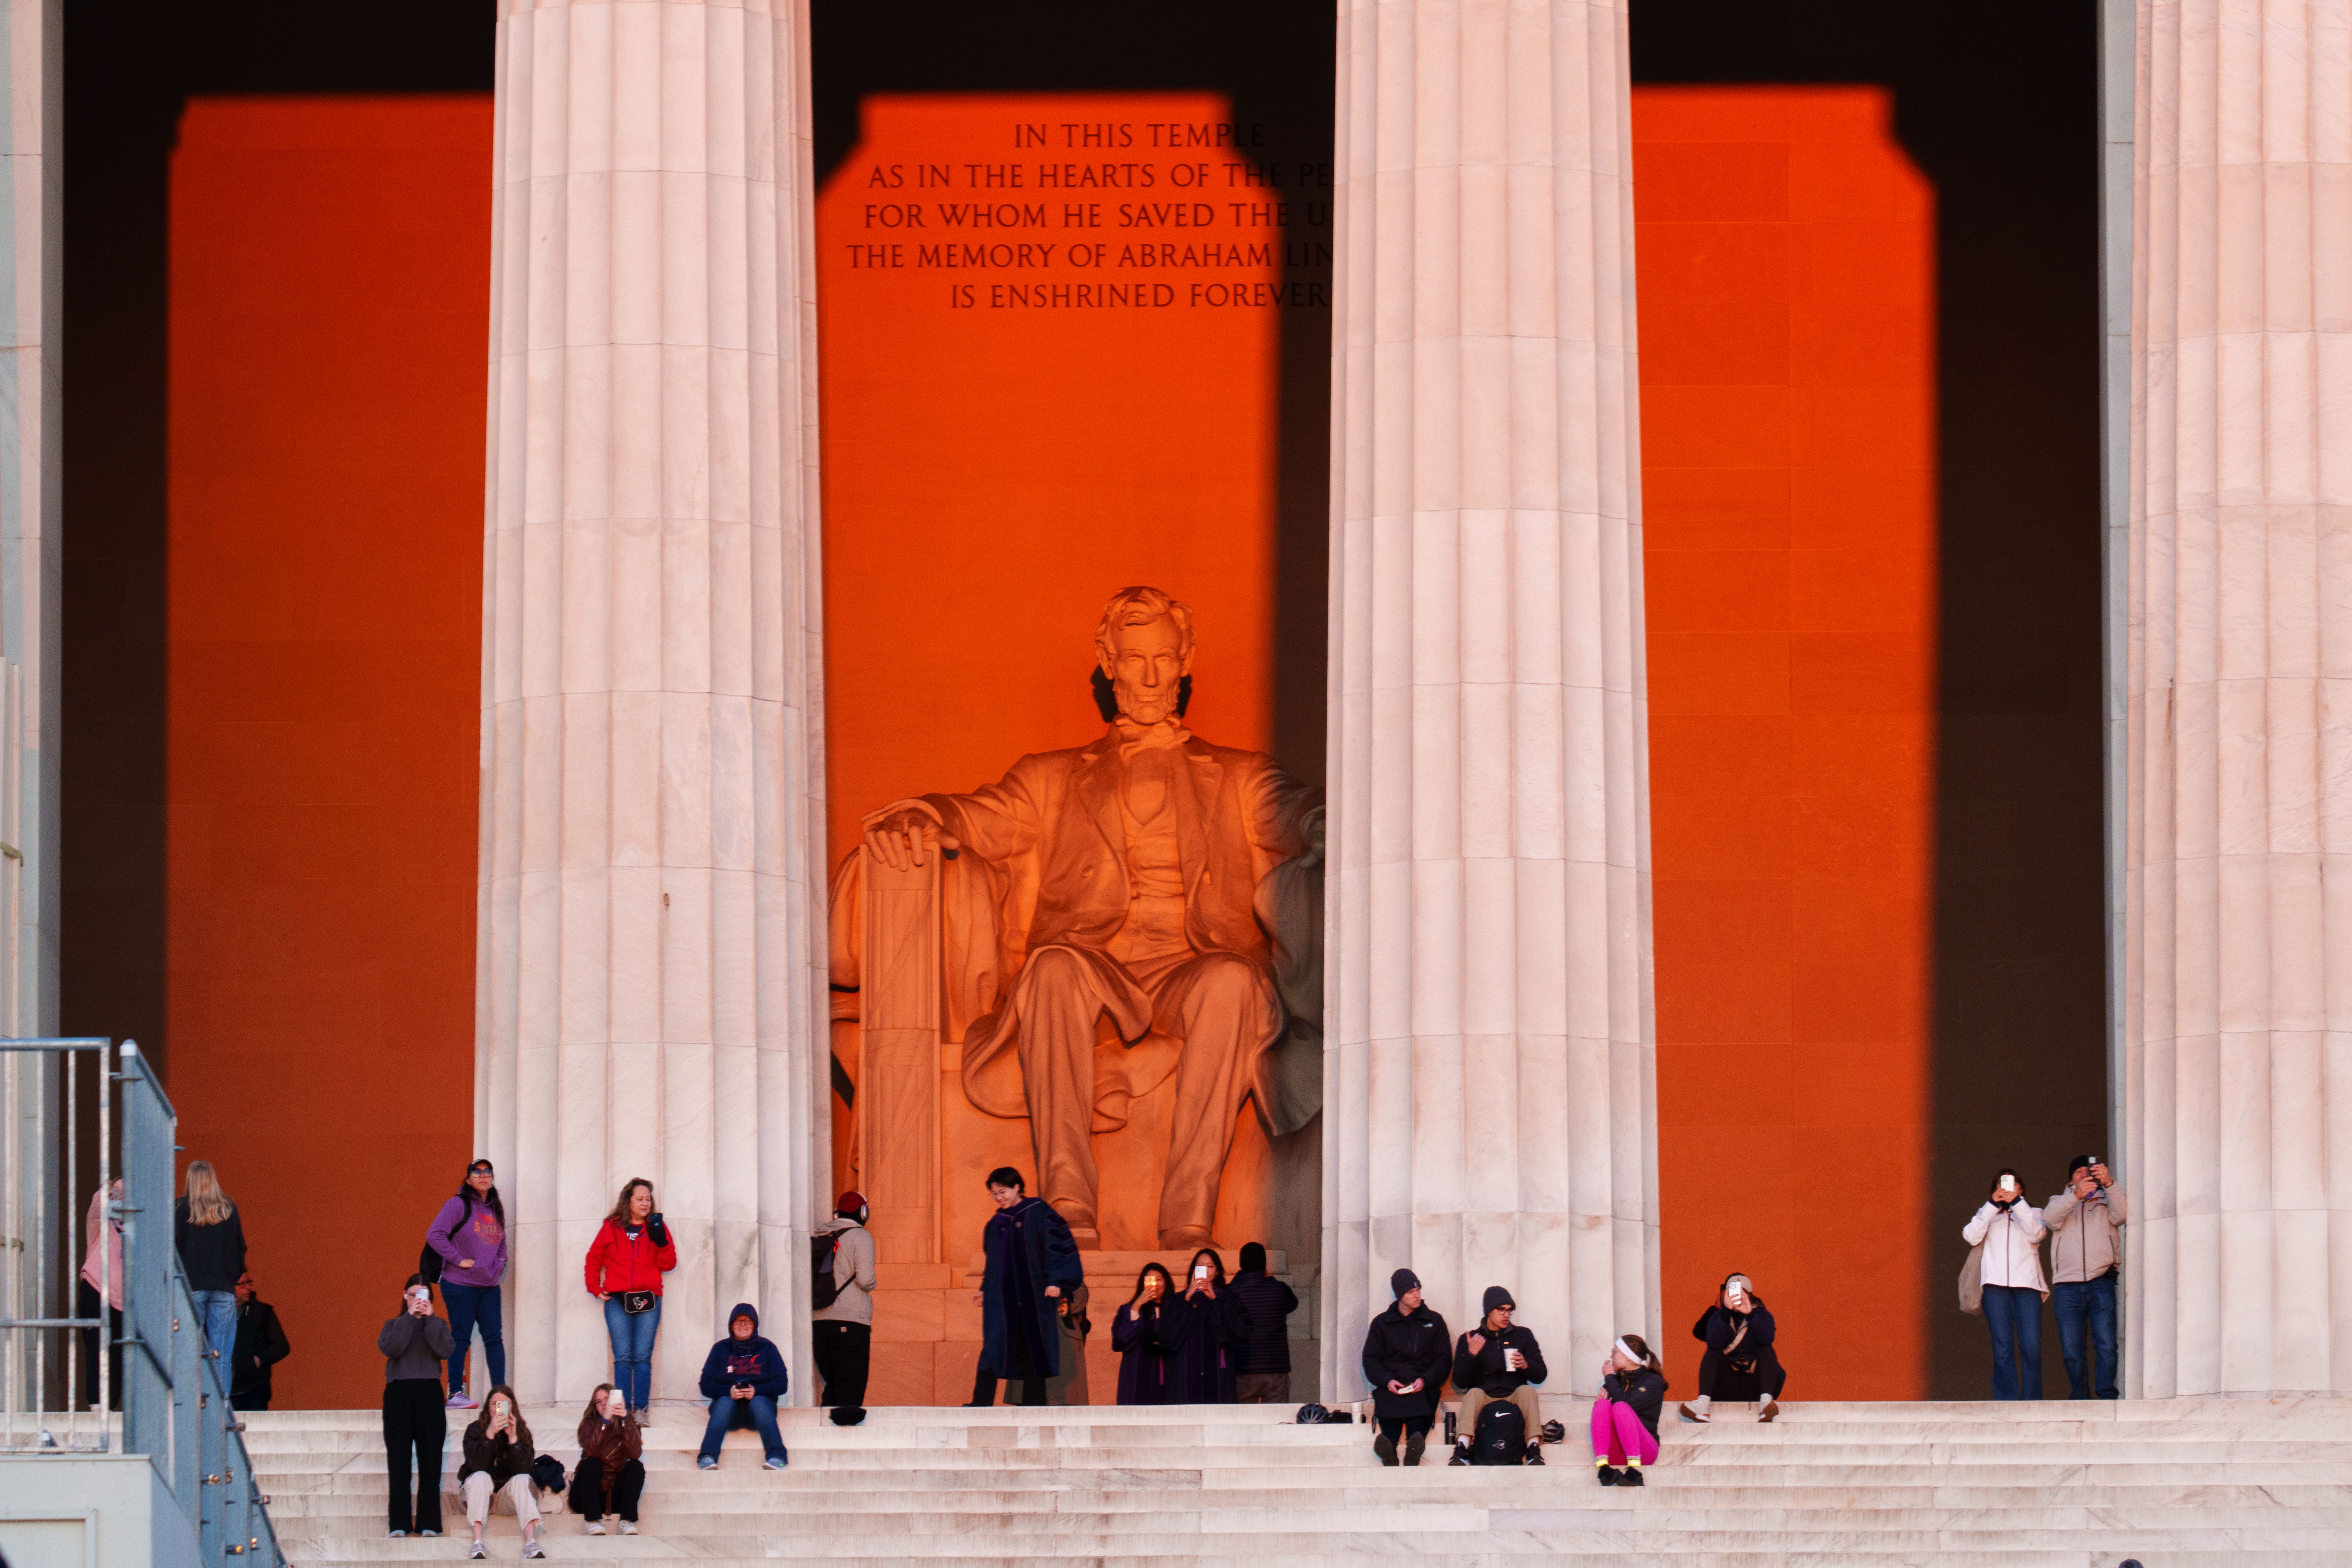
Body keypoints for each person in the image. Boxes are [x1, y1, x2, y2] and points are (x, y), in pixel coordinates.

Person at [854, 587, 1326, 1250]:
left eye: (1165, 657)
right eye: (1135, 659)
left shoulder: (1238, 774)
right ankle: (1067, 1204)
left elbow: (1295, 809)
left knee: (1234, 981)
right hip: (1093, 965)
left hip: (1191, 969)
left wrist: (1325, 822)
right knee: (1050, 968)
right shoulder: (1050, 777)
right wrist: (927, 813)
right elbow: (983, 816)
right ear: (1108, 662)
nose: (1152, 677)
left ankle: (1188, 1216)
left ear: (1186, 659)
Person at [967, 1168, 1083, 1407]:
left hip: (1034, 1297)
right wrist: (985, 1289)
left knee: (1034, 1346)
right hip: (1003, 1299)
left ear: (1017, 1187)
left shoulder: (1039, 1213)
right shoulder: (995, 1224)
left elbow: (1055, 1247)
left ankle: (1034, 1404)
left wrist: (1055, 1280)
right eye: (994, 1194)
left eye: (1003, 1191)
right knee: (993, 1345)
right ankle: (980, 1403)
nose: (999, 1197)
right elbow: (993, 1263)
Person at [583, 1177, 676, 1412]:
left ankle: (641, 1409)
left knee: (643, 1357)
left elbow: (669, 1264)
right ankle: (621, 1411)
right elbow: (593, 1258)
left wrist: (661, 1240)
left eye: (648, 1199)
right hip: (617, 1299)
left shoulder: (657, 1227)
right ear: (629, 1200)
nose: (645, 1203)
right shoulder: (612, 1227)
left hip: (649, 1299)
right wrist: (595, 1287)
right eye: (640, 1199)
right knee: (623, 1357)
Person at [2044, 1154, 2125, 1401]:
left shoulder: (2106, 1199)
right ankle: (2080, 1395)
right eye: (2079, 1172)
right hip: (2067, 1285)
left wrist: (2110, 1184)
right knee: (2072, 1348)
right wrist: (2076, 1196)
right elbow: (2049, 1219)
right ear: (2071, 1179)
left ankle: (2107, 1394)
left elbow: (2121, 1215)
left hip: (2100, 1280)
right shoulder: (2059, 1200)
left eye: (2089, 1171)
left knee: (2107, 1344)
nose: (2085, 1175)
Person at [428, 1159, 509, 1410]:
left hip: (489, 1286)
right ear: (469, 1178)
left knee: (494, 1339)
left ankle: (500, 1395)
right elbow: (435, 1234)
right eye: (477, 1171)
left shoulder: (495, 1207)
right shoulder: (458, 1204)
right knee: (461, 1338)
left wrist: (501, 1262)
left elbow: (501, 1241)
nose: (483, 1176)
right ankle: (455, 1394)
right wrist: (457, 1259)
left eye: (488, 1172)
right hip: (460, 1284)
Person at [1963, 1168, 2049, 1400]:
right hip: (1995, 1288)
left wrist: (2019, 1205)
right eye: (2002, 1186)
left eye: (2013, 1185)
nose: (2008, 1190)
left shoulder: (2035, 1212)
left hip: (2028, 1287)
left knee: (2031, 1345)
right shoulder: (1988, 1214)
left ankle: (2032, 1400)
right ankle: (2007, 1400)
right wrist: (1991, 1206)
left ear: (2021, 1189)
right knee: (2003, 1348)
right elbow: (1971, 1236)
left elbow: (2037, 1234)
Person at [378, 1274, 453, 1539]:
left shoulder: (438, 1324)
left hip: (430, 1392)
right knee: (398, 1459)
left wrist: (430, 1318)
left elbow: (445, 1350)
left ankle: (430, 1522)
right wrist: (410, 1317)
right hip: (399, 1392)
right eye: (415, 1295)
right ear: (405, 1295)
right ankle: (399, 1522)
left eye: (425, 1296)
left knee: (430, 1459)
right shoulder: (394, 1324)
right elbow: (391, 1348)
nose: (419, 1300)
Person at [1359, 1267, 1451, 1467]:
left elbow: (1444, 1359)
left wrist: (1426, 1380)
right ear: (1399, 1295)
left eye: (1418, 1289)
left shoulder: (1434, 1321)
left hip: (1422, 1385)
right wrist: (1387, 1380)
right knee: (1390, 1406)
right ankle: (1388, 1449)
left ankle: (1414, 1447)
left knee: (1421, 1407)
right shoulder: (1381, 1323)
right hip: (1393, 1385)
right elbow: (1371, 1359)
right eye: (1411, 1292)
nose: (1417, 1295)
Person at [1448, 1285, 1549, 1464]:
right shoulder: (1471, 1338)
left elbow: (1541, 1375)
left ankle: (1533, 1449)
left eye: (1510, 1311)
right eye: (1501, 1310)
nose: (1506, 1315)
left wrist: (1526, 1365)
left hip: (1514, 1395)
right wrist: (1471, 1355)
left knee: (1527, 1391)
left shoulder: (1523, 1335)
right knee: (1473, 1394)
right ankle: (1462, 1449)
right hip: (1485, 1396)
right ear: (1488, 1312)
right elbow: (1460, 1382)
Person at [1679, 1272, 1787, 1424]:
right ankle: (1702, 1405)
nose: (1737, 1297)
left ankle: (1766, 1403)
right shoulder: (1719, 1317)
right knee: (1713, 1350)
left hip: (1755, 1383)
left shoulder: (1762, 1314)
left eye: (1741, 1293)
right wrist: (1725, 1314)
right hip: (1727, 1385)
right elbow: (1713, 1343)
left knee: (1767, 1347)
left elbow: (1767, 1338)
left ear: (1749, 1294)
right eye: (1732, 1293)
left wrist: (1750, 1315)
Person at [696, 1303, 789, 1470]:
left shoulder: (767, 1348)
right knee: (725, 1402)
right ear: (731, 1326)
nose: (743, 1325)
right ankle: (707, 1457)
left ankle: (778, 1457)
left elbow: (782, 1383)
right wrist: (728, 1391)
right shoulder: (720, 1348)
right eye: (738, 1321)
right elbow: (706, 1384)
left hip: (759, 1413)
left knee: (759, 1401)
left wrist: (757, 1391)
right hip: (728, 1414)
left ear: (755, 1325)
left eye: (748, 1321)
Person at [812, 1190, 878, 1423]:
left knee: (832, 1385)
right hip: (851, 1318)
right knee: (851, 1385)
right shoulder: (861, 1237)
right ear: (863, 1212)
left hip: (819, 1320)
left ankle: (825, 1438)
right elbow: (865, 1279)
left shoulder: (820, 1235)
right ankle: (844, 1440)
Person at [175, 1160, 246, 1370]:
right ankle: (221, 1403)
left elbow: (172, 1249)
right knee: (221, 1354)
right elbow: (240, 1247)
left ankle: (189, 1402)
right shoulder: (228, 1208)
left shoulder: (180, 1209)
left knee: (188, 1352)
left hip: (191, 1289)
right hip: (223, 1288)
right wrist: (232, 1276)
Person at [458, 1386, 543, 1561]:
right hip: (478, 1495)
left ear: (512, 1408)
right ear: (488, 1407)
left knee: (522, 1479)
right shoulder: (475, 1429)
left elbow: (525, 1470)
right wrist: (489, 1435)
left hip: (506, 1499)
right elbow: (476, 1466)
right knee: (481, 1476)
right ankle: (477, 1542)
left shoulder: (521, 1432)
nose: (499, 1408)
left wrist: (513, 1440)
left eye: (504, 1405)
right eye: (495, 1404)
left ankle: (530, 1543)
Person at [1167, 1248, 1249, 1402]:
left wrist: (1214, 1300)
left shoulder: (1228, 1298)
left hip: (1219, 1368)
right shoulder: (1177, 1300)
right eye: (1201, 1266)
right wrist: (1188, 1298)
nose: (1206, 1271)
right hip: (1185, 1370)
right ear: (1194, 1270)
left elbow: (1237, 1334)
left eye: (1210, 1267)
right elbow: (1169, 1337)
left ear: (1217, 1271)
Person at [1226, 1241, 1299, 1404]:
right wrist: (1269, 1279)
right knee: (1277, 1422)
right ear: (1264, 1264)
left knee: (1243, 1424)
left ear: (1241, 1263)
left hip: (1242, 1367)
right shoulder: (1279, 1289)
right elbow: (1292, 1304)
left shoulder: (1231, 1292)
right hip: (1275, 1366)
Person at [1589, 1334, 1666, 1486]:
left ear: (1628, 1357)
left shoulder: (1653, 1381)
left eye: (1615, 1352)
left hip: (1644, 1451)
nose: (1611, 1356)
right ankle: (1603, 1468)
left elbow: (1627, 1403)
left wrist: (1610, 1378)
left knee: (1621, 1407)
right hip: (1616, 1453)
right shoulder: (1615, 1381)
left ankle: (1634, 1471)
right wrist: (1600, 1404)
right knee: (1602, 1406)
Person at [570, 1384, 644, 1536]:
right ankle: (592, 1521)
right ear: (594, 1406)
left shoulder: (628, 1421)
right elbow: (592, 1451)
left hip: (615, 1495)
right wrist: (605, 1422)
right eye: (599, 1402)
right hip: (588, 1495)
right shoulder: (589, 1423)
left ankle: (627, 1521)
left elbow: (635, 1454)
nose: (604, 1405)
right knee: (591, 1464)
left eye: (607, 1400)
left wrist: (624, 1419)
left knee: (636, 1466)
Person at [1112, 1261, 1187, 1405]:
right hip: (1137, 1374)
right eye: (1150, 1280)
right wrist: (1136, 1307)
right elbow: (1119, 1342)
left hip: (1169, 1374)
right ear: (1143, 1284)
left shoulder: (1174, 1309)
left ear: (1166, 1283)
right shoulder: (1130, 1309)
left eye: (1159, 1279)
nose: (1156, 1285)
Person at [78, 1178, 123, 1411]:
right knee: (96, 1346)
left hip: (125, 1301)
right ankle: (97, 1403)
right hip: (96, 1289)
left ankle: (111, 1403)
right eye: (118, 1194)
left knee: (119, 1352)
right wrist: (112, 1190)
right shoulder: (100, 1224)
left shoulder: (139, 1227)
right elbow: (97, 1206)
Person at [228, 1270, 291, 1411]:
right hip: (225, 1392)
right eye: (242, 1284)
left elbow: (282, 1346)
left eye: (248, 1283)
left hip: (255, 1390)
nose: (248, 1288)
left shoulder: (263, 1312)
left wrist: (259, 1359)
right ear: (228, 1287)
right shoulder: (217, 1315)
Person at [1044, 1283, 1093, 1405]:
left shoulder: (1073, 1280)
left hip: (1063, 1345)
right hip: (1034, 1342)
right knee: (1032, 1402)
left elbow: (1075, 1302)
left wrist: (1055, 1291)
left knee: (1064, 1399)